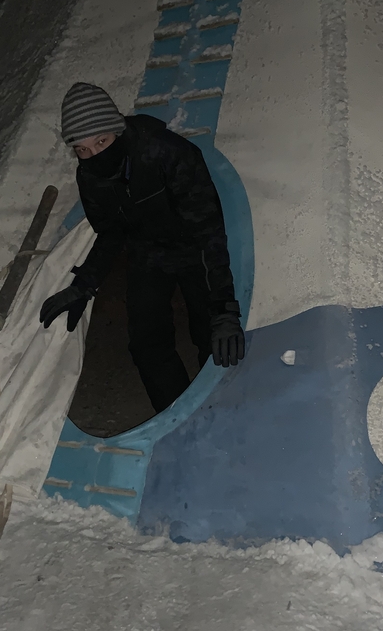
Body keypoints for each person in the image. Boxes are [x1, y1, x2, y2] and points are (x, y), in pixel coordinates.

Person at [39, 82, 245, 413]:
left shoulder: (166, 152)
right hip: (149, 254)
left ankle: (222, 412)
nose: (94, 155)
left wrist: (224, 306)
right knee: (147, 343)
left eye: (101, 141)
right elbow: (110, 234)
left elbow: (208, 230)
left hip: (194, 249)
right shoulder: (90, 177)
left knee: (212, 334)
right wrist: (84, 283)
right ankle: (176, 416)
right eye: (82, 149)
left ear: (116, 130)